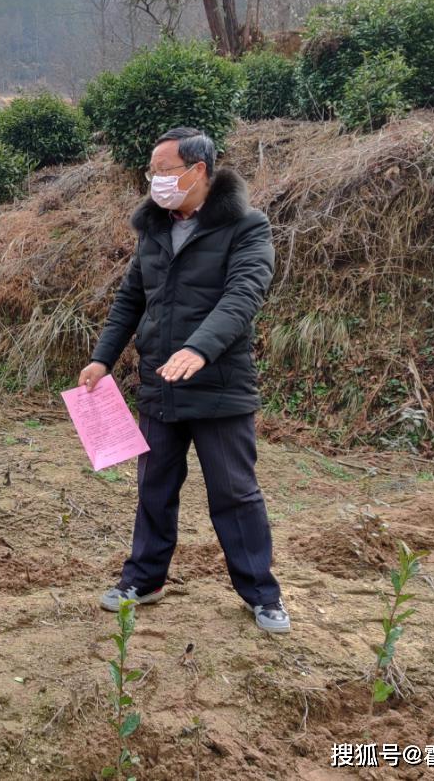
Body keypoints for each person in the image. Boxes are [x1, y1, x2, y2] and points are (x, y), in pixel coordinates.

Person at [78, 127, 290, 634]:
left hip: (220, 386)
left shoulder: (247, 227)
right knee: (154, 486)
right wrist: (102, 358)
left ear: (198, 172)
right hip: (160, 385)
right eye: (151, 172)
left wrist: (199, 348)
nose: (155, 181)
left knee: (234, 494)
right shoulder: (153, 230)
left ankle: (261, 594)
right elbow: (132, 298)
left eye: (164, 171)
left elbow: (244, 295)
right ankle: (144, 579)